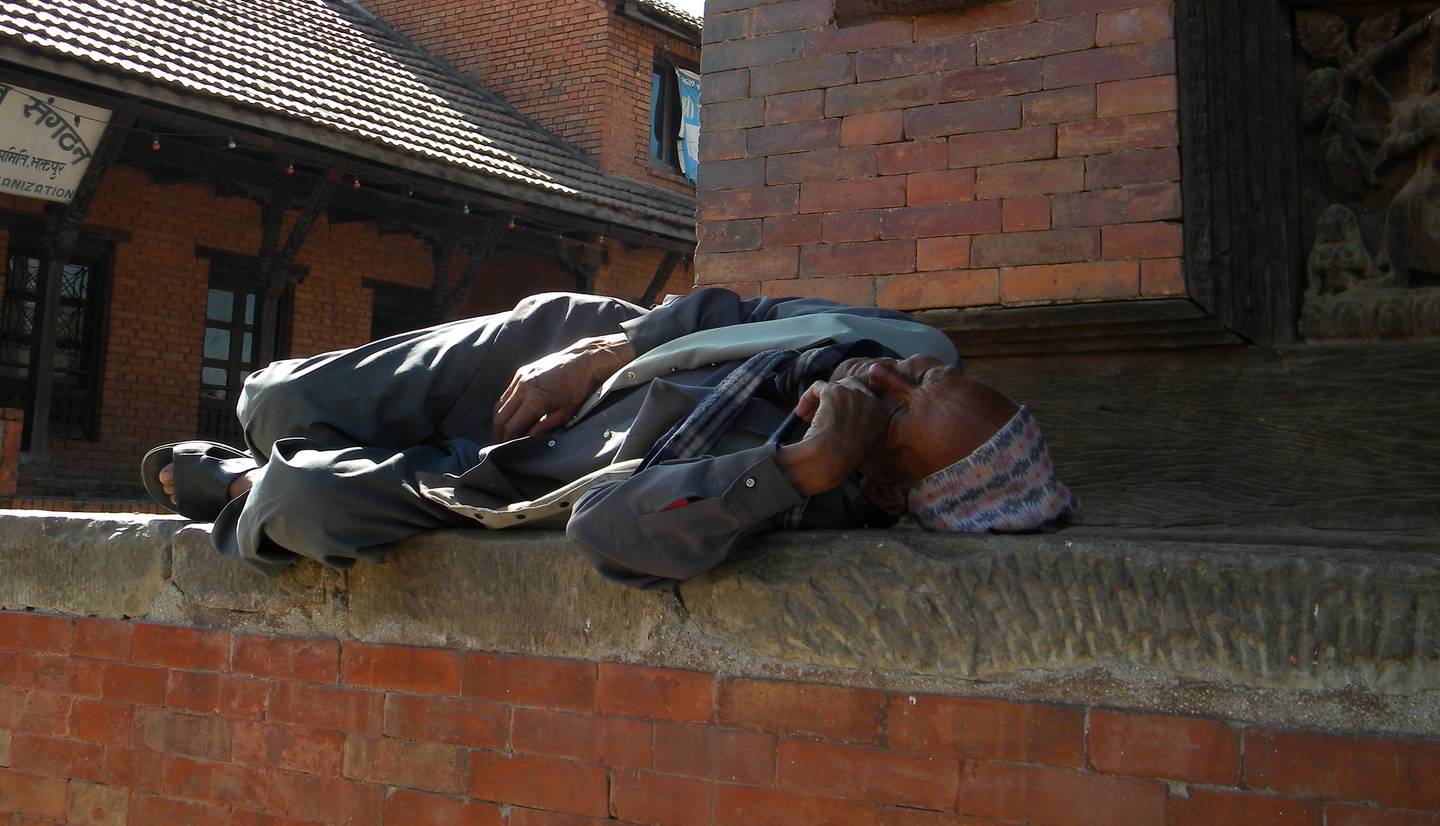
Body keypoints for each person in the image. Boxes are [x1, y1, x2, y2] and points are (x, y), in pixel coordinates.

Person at [143, 289, 1076, 589]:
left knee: (303, 502)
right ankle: (255, 451)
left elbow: (604, 531)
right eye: (921, 380)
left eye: (900, 409)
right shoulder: (895, 342)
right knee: (273, 397)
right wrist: (607, 347)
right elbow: (737, 308)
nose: (885, 376)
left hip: (518, 474)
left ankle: (238, 489)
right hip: (565, 359)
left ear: (880, 489)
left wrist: (796, 467)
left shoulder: (811, 500)